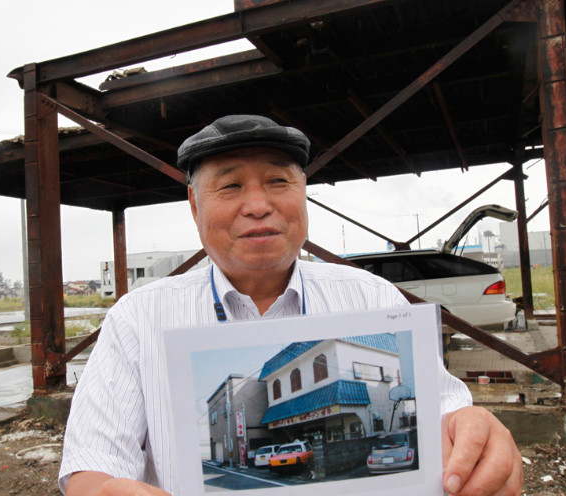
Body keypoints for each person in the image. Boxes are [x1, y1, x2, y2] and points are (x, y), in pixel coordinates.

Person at [61, 115, 523, 495]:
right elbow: (91, 465)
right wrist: (103, 490)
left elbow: (447, 418)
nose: (258, 205)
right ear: (194, 205)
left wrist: (476, 439)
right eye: (230, 187)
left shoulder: (370, 296)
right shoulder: (138, 319)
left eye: (278, 181)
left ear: (303, 193)